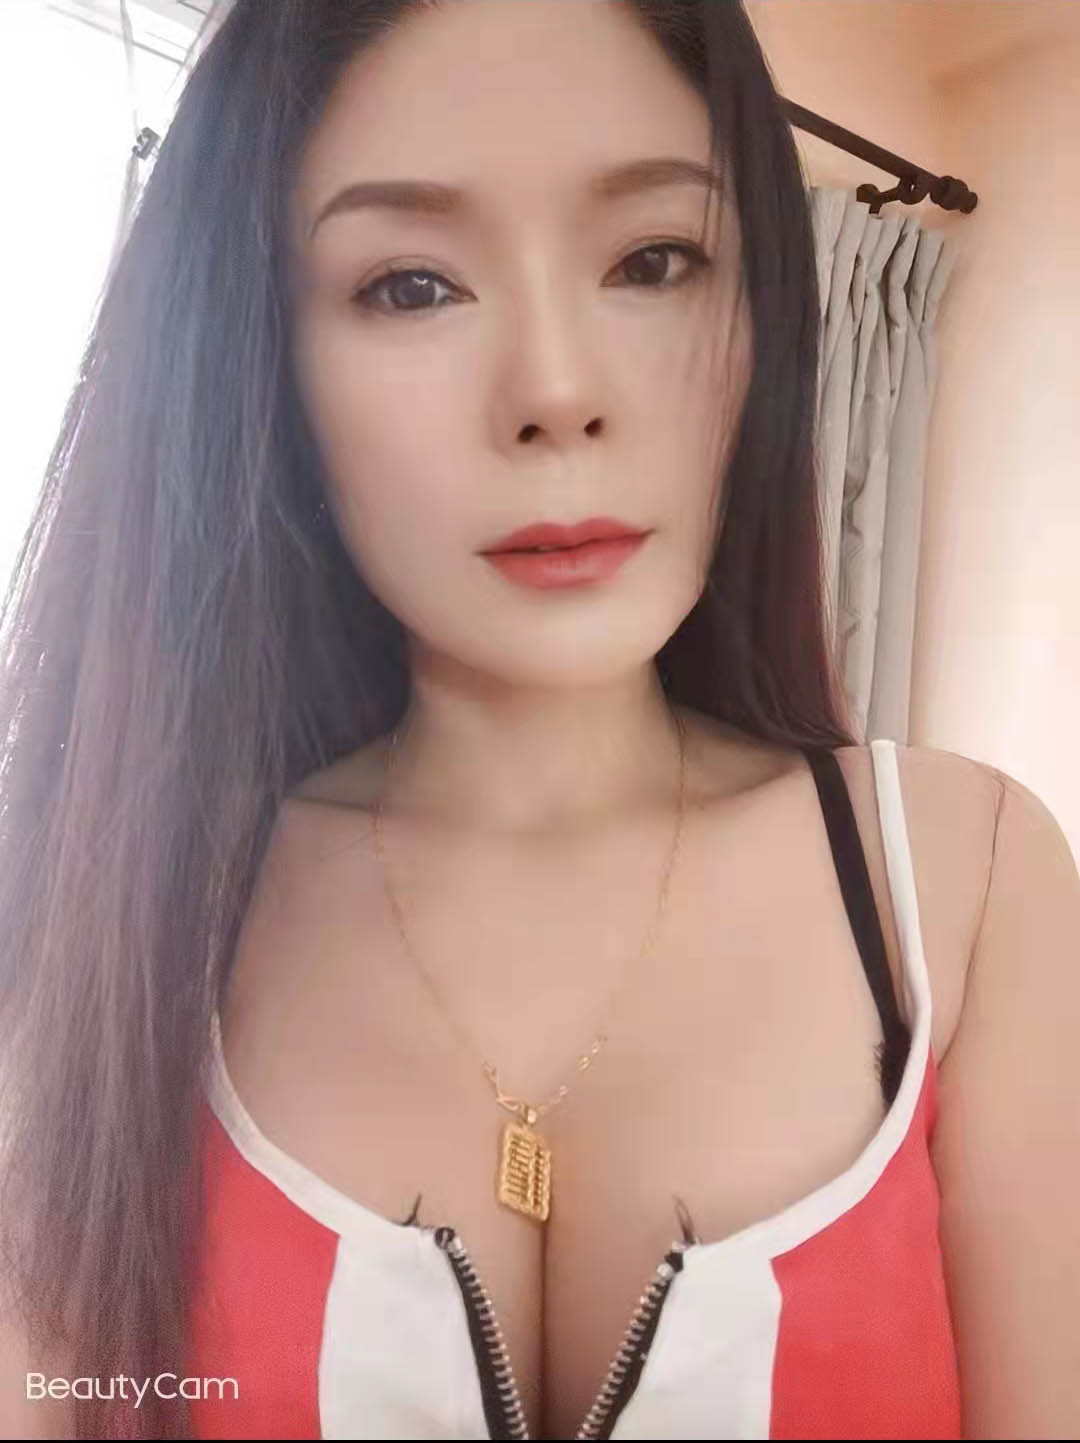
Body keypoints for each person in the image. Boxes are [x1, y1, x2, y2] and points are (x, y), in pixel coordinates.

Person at [0, 0, 1076, 1438]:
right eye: (411, 286)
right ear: (264, 364)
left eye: (654, 260)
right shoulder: (124, 923)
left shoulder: (961, 883)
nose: (556, 395)